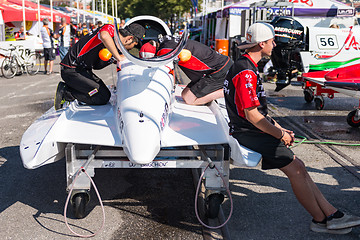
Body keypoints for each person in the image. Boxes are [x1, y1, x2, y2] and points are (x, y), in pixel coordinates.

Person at [224, 22, 360, 234]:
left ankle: (330, 215)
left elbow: (260, 111)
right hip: (248, 133)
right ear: (261, 44)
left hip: (249, 130)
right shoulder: (246, 72)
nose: (275, 44)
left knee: (300, 166)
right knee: (296, 169)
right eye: (271, 41)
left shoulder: (245, 66)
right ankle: (321, 220)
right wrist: (279, 133)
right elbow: (252, 115)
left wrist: (281, 129)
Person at [54, 22, 145, 110]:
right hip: (71, 69)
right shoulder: (111, 29)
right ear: (129, 38)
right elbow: (104, 36)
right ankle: (67, 93)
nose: (132, 48)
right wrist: (118, 57)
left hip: (82, 70)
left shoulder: (117, 47)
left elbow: (97, 66)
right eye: (134, 45)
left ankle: (74, 91)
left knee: (104, 95)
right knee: (102, 97)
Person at [157, 35, 233, 105]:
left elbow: (165, 70)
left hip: (220, 70)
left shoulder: (165, 51)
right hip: (221, 64)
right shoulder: (168, 41)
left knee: (189, 99)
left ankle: (225, 91)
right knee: (184, 94)